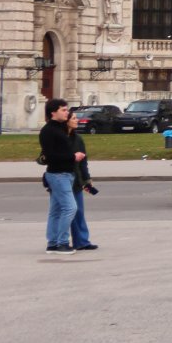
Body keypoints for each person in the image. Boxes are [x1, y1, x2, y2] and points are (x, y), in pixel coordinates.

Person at [39, 100, 80, 252]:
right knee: (70, 208)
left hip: (65, 174)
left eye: (66, 109)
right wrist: (73, 157)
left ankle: (52, 243)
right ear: (53, 113)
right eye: (63, 110)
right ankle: (62, 242)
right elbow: (50, 156)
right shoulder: (48, 131)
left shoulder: (60, 128)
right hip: (58, 174)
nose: (66, 112)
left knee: (56, 210)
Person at [65, 103, 98, 251]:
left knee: (79, 211)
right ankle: (61, 240)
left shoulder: (78, 139)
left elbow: (84, 161)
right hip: (64, 178)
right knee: (68, 211)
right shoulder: (61, 138)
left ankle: (82, 241)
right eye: (73, 118)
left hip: (76, 179)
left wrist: (87, 180)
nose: (76, 120)